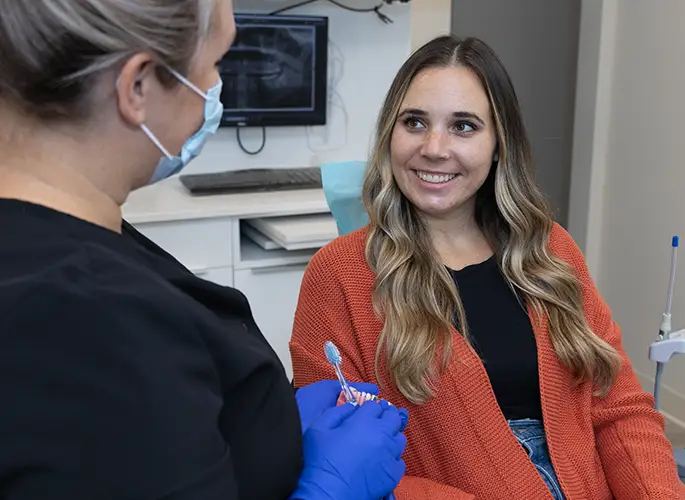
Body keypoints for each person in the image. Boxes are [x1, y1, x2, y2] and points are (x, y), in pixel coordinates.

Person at [0, 1, 409, 499]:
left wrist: (258, 428)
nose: (216, 89)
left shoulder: (72, 242)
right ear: (137, 87)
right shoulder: (87, 320)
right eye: (214, 64)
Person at [290, 35, 685, 499]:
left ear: (499, 144)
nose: (434, 148)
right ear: (389, 135)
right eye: (414, 122)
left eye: (464, 126)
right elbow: (342, 467)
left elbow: (618, 407)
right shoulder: (340, 275)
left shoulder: (551, 251)